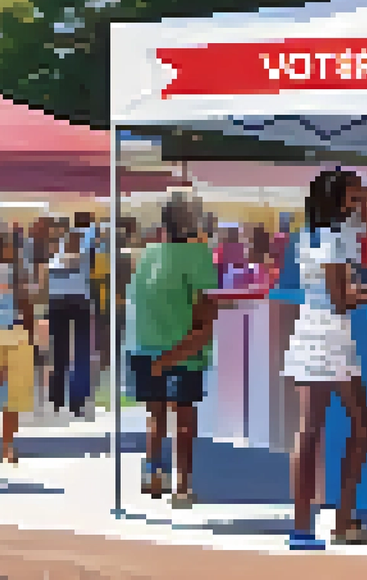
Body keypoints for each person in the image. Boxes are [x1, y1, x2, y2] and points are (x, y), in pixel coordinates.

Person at [282, 170, 367, 549]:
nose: (356, 203)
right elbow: (340, 299)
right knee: (358, 425)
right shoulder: (334, 237)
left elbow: (330, 289)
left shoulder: (306, 235)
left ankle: (304, 527)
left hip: (309, 332)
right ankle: (343, 520)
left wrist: (366, 289)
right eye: (351, 197)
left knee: (309, 430)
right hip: (330, 336)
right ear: (338, 200)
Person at [131, 195, 221, 509]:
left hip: (144, 345)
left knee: (155, 416)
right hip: (182, 349)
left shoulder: (148, 254)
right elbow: (206, 306)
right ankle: (182, 486)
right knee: (183, 418)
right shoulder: (198, 255)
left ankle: (153, 473)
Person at [0, 228, 36, 464]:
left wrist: (30, 334)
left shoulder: (17, 273)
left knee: (12, 394)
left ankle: (6, 444)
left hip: (14, 333)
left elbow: (26, 303)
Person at [47, 213, 95, 418]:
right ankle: (77, 401)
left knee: (59, 350)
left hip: (57, 298)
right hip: (80, 299)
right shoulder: (90, 240)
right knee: (81, 351)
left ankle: (57, 400)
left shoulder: (59, 243)